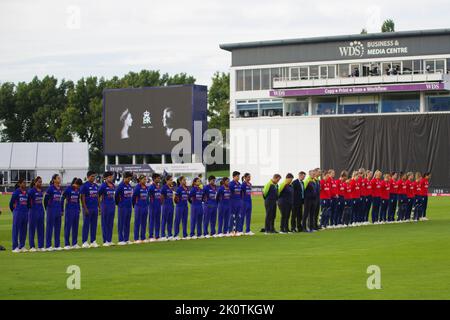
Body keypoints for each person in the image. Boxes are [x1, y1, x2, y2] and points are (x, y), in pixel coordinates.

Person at [44, 174, 64, 251]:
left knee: (58, 228)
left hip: (58, 210)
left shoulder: (60, 189)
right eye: (58, 178)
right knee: (49, 228)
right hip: (51, 210)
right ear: (54, 180)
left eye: (60, 178)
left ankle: (57, 245)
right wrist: (47, 209)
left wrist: (61, 210)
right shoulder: (50, 189)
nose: (60, 179)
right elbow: (45, 200)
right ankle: (48, 245)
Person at [80, 171, 100, 248]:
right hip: (88, 208)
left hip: (95, 208)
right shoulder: (84, 186)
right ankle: (84, 241)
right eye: (92, 176)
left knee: (94, 225)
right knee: (86, 225)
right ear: (88, 177)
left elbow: (97, 196)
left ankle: (93, 241)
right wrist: (85, 208)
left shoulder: (95, 186)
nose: (93, 178)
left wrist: (99, 207)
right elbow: (82, 198)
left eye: (94, 176)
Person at [62, 177, 82, 250]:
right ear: (75, 183)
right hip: (69, 210)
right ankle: (67, 244)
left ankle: (74, 243)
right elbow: (62, 198)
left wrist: (79, 208)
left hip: (76, 210)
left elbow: (77, 200)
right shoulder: (68, 189)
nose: (78, 187)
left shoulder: (78, 190)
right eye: (78, 186)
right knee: (67, 227)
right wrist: (62, 209)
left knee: (75, 227)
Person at [10, 178, 29, 253]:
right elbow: (11, 203)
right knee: (16, 230)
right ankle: (15, 247)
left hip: (25, 213)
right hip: (18, 213)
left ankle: (22, 246)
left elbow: (27, 203)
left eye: (25, 183)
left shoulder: (26, 192)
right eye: (23, 183)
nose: (25, 184)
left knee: (24, 230)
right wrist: (14, 211)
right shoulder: (16, 192)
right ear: (19, 184)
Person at [115, 172, 133, 245]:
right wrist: (118, 204)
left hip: (129, 206)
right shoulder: (120, 186)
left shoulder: (129, 185)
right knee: (121, 223)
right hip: (122, 206)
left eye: (130, 179)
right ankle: (120, 239)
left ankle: (126, 239)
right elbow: (116, 195)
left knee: (127, 223)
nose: (129, 180)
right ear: (124, 178)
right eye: (128, 179)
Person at [99, 172, 116, 246]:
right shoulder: (103, 186)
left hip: (112, 206)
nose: (111, 178)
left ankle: (109, 240)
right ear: (105, 178)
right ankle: (105, 240)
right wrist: (99, 206)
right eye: (110, 177)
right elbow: (98, 196)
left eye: (111, 177)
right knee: (105, 223)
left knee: (110, 223)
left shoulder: (113, 185)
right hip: (105, 206)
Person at [28, 176, 45, 252]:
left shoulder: (41, 190)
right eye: (39, 182)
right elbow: (28, 202)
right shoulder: (31, 191)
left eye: (41, 182)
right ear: (35, 182)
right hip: (33, 212)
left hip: (41, 211)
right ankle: (32, 246)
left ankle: (40, 246)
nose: (40, 183)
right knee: (32, 230)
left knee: (41, 229)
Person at [132, 175, 149, 244]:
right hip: (138, 206)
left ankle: (143, 237)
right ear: (140, 180)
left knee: (144, 222)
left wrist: (147, 204)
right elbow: (133, 197)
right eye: (144, 179)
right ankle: (136, 238)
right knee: (137, 222)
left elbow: (147, 197)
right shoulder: (137, 188)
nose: (145, 181)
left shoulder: (146, 187)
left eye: (145, 179)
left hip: (145, 206)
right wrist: (134, 205)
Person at [174, 176, 189, 240]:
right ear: (180, 181)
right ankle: (176, 235)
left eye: (185, 180)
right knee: (177, 220)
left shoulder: (186, 188)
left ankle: (185, 235)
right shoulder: (179, 189)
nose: (185, 181)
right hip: (180, 206)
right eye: (183, 180)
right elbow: (175, 198)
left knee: (185, 221)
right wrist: (178, 203)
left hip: (185, 206)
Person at [160, 175, 175, 241]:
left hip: (171, 205)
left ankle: (170, 234)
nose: (171, 181)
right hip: (165, 206)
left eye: (172, 180)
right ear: (166, 180)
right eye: (170, 180)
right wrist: (162, 205)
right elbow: (161, 197)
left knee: (170, 220)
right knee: (164, 220)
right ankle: (163, 235)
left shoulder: (171, 188)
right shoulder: (164, 188)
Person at [148, 173, 162, 242]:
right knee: (152, 221)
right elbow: (149, 197)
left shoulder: (159, 187)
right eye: (158, 178)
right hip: (153, 206)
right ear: (154, 179)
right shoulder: (151, 187)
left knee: (157, 221)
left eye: (159, 178)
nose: (159, 179)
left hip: (158, 206)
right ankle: (151, 236)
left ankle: (157, 236)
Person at [229, 171, 242, 236]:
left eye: (239, 176)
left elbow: (240, 194)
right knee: (232, 217)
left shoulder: (239, 184)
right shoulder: (231, 184)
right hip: (232, 203)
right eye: (237, 176)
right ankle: (230, 231)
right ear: (234, 176)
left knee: (238, 217)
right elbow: (229, 194)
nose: (238, 177)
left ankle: (237, 231)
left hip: (238, 203)